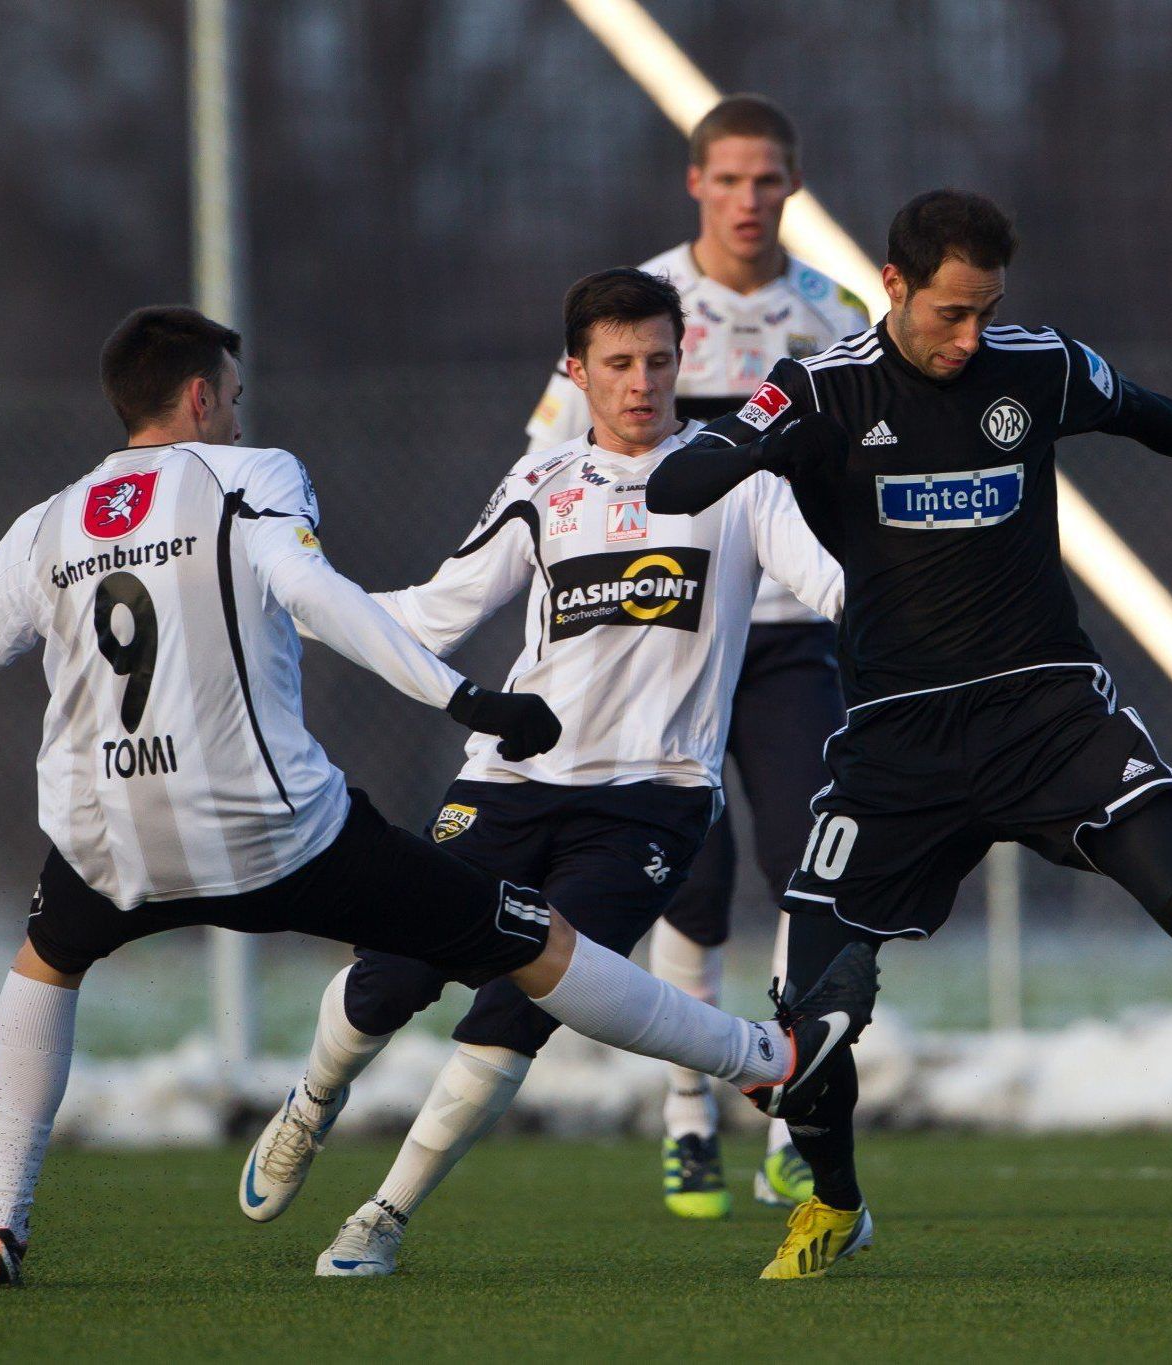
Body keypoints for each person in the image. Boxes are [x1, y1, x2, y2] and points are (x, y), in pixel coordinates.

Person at [0, 305, 875, 1289]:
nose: (642, 380)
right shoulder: (265, 474)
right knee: (516, 952)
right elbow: (338, 595)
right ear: (200, 396)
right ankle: (764, 1053)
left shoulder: (48, 521)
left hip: (115, 842)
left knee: (47, 962)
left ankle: (7, 1231)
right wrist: (462, 695)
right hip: (285, 833)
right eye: (231, 397)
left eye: (658, 360)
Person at [649, 189, 1172, 1280]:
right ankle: (834, 1204)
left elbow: (1142, 410)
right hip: (895, 744)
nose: (970, 338)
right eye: (949, 314)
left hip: (1049, 710)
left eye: (986, 312)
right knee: (813, 1008)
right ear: (893, 287)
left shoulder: (1034, 366)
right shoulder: (821, 390)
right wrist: (718, 456)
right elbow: (683, 474)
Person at [240, 267, 845, 1275]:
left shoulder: (742, 480)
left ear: (680, 358)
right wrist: (289, 603)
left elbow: (830, 586)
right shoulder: (543, 483)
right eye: (616, 363)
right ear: (576, 371)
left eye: (658, 359)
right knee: (388, 978)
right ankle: (309, 1103)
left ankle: (382, 1217)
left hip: (651, 805)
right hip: (509, 786)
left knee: (522, 1001)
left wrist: (916, 633)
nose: (641, 381)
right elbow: (435, 611)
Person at [525, 95, 867, 1211]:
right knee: (691, 878)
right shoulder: (640, 305)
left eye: (768, 178)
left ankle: (791, 1100)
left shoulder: (831, 312)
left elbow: (872, 461)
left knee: (805, 860)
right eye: (728, 178)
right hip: (657, 631)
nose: (748, 198)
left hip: (781, 639)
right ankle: (687, 1113)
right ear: (695, 185)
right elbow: (543, 461)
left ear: (792, 185)